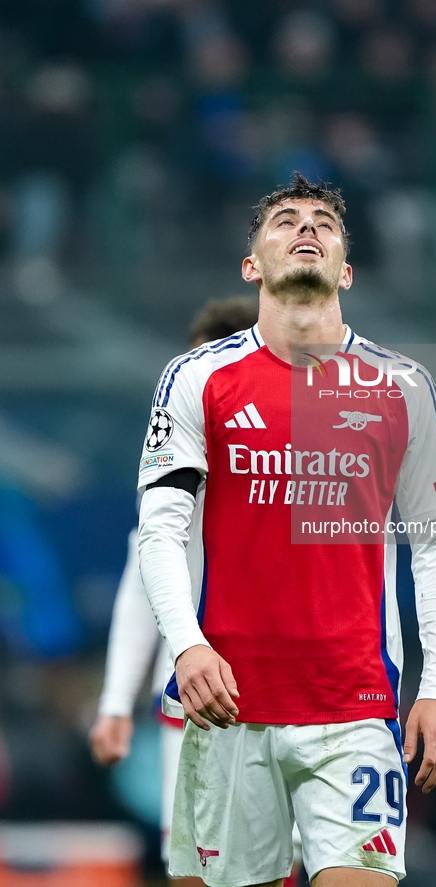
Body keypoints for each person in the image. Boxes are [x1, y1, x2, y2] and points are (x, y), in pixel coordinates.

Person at [137, 172, 436, 886]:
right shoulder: (196, 378)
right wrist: (188, 648)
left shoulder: (401, 385)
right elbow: (159, 531)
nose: (306, 228)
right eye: (284, 220)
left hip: (353, 704)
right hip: (229, 703)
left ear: (344, 269)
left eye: (323, 221)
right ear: (252, 265)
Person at [89, 296, 259, 877]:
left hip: (283, 694)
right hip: (187, 700)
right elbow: (141, 591)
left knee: (277, 862)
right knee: (190, 864)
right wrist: (115, 702)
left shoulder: (300, 476)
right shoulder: (171, 478)